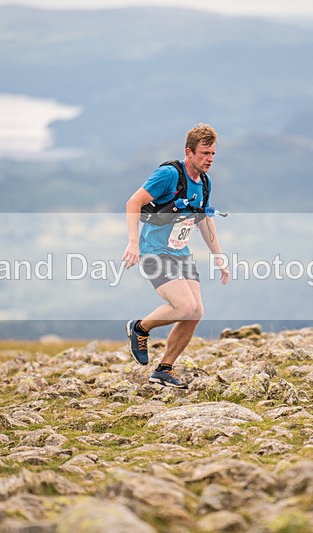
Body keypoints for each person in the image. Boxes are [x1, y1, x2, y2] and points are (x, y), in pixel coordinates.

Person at [122, 123, 230, 389]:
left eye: (213, 154)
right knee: (184, 306)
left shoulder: (204, 182)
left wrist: (219, 256)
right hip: (153, 252)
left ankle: (164, 369)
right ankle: (140, 328)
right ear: (189, 152)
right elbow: (133, 203)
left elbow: (203, 220)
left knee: (195, 313)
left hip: (181, 254)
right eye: (204, 153)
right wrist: (133, 242)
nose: (210, 159)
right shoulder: (169, 174)